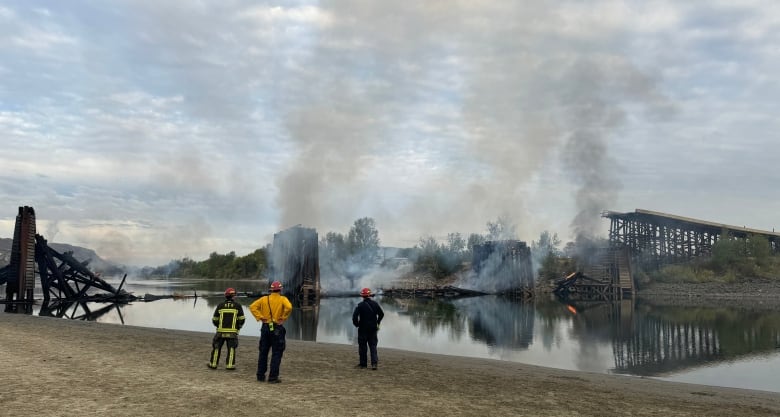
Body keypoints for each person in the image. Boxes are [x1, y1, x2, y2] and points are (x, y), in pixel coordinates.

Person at [249, 280, 293, 383]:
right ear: (280, 290)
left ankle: (260, 376)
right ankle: (273, 377)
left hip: (265, 327)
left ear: (271, 290)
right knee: (276, 353)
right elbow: (289, 307)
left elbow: (252, 307)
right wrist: (283, 317)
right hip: (277, 328)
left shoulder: (264, 299)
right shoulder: (283, 299)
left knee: (263, 352)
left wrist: (260, 317)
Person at [208, 287, 246, 370]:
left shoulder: (220, 305)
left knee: (216, 348)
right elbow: (242, 319)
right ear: (233, 296)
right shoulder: (237, 306)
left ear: (225, 296)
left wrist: (219, 326)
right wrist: (237, 327)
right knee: (231, 348)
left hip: (220, 332)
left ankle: (213, 364)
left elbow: (214, 320)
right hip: (232, 332)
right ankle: (230, 365)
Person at [352, 287, 384, 370]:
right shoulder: (375, 304)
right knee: (373, 346)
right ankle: (374, 364)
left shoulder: (360, 305)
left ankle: (363, 364)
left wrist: (357, 324)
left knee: (363, 347)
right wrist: (378, 322)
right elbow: (381, 314)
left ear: (362, 296)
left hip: (363, 329)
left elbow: (354, 317)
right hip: (373, 329)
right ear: (369, 295)